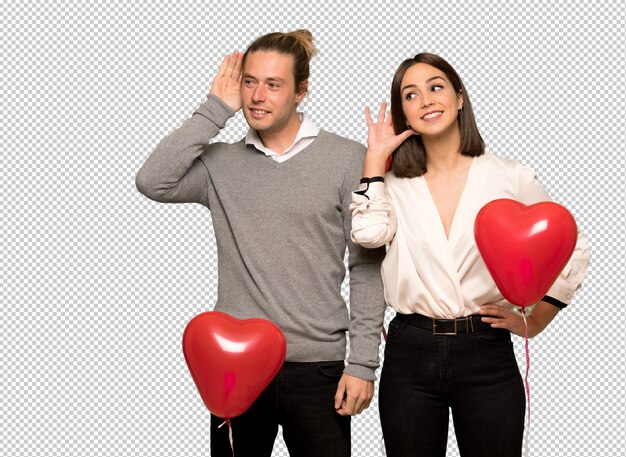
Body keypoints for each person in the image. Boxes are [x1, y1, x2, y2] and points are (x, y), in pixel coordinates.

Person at [135, 30, 386, 457]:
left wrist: (362, 363)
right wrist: (216, 109)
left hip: (317, 367)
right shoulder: (220, 164)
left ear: (301, 91)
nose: (257, 96)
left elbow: (366, 267)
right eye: (249, 82)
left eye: (273, 84)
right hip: (235, 364)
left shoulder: (348, 159)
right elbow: (152, 181)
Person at [350, 53, 590, 457]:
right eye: (411, 94)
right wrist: (374, 160)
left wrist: (537, 319)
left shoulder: (509, 175)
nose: (425, 99)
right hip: (411, 351)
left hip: (485, 350)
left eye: (436, 87)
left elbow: (571, 246)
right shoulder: (391, 183)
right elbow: (369, 235)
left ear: (460, 98)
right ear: (403, 113)